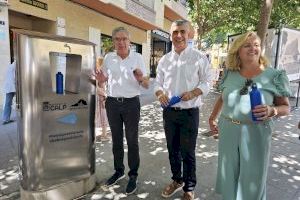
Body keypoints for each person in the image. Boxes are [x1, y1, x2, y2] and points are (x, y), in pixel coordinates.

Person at [208, 31, 291, 200]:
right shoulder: (229, 73)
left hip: (257, 132)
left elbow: (286, 107)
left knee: (254, 176)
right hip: (228, 129)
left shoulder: (274, 75)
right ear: (238, 50)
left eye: (257, 45)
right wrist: (212, 117)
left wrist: (272, 110)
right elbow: (222, 97)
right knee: (228, 171)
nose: (253, 48)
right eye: (247, 45)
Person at [154, 19, 212, 200]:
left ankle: (189, 187)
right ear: (171, 35)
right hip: (169, 112)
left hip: (189, 113)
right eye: (175, 32)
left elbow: (207, 82)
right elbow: (158, 82)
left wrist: (195, 92)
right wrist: (159, 93)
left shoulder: (199, 57)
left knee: (188, 152)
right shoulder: (164, 60)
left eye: (182, 32)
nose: (178, 35)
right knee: (173, 150)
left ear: (189, 34)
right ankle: (177, 180)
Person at [95, 26, 149, 195]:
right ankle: (119, 171)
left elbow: (146, 84)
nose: (121, 42)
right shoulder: (109, 58)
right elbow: (102, 80)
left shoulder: (138, 57)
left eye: (124, 39)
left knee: (132, 141)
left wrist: (141, 78)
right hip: (112, 103)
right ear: (113, 42)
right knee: (116, 140)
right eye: (117, 39)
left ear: (129, 42)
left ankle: (133, 175)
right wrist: (101, 80)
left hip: (131, 103)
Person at [94, 57, 109, 142]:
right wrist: (105, 94)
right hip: (100, 98)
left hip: (101, 97)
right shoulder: (98, 72)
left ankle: (103, 135)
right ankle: (103, 135)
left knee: (101, 116)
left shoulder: (99, 72)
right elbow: (96, 87)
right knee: (103, 116)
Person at [2, 59, 16, 125]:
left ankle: (6, 118)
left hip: (9, 87)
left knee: (8, 103)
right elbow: (14, 77)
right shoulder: (14, 67)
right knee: (8, 103)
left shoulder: (10, 66)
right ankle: (6, 119)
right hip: (11, 88)